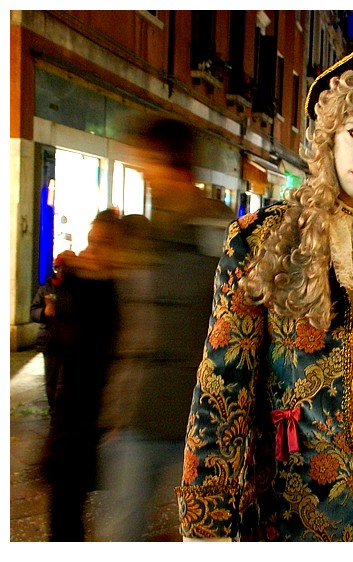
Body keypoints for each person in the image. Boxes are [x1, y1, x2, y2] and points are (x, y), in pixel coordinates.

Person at [175, 31, 353, 542]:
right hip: (290, 521)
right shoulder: (261, 239)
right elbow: (222, 392)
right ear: (330, 135)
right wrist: (207, 527)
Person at [95, 119, 227, 541]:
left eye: (147, 164)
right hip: (138, 419)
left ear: (175, 165)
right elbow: (133, 328)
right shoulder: (143, 233)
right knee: (119, 535)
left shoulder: (218, 231)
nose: (144, 176)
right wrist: (118, 409)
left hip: (201, 421)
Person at [43, 209, 121, 541]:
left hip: (110, 415)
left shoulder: (124, 293)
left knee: (121, 517)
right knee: (63, 509)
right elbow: (61, 346)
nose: (92, 250)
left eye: (103, 243)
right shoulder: (77, 284)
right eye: (91, 241)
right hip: (73, 413)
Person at [30, 251, 73, 412]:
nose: (61, 270)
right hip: (51, 340)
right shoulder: (47, 287)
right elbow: (33, 311)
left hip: (70, 340)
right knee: (52, 379)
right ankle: (54, 409)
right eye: (59, 267)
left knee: (69, 378)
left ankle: (65, 409)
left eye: (65, 267)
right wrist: (44, 312)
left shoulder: (76, 288)